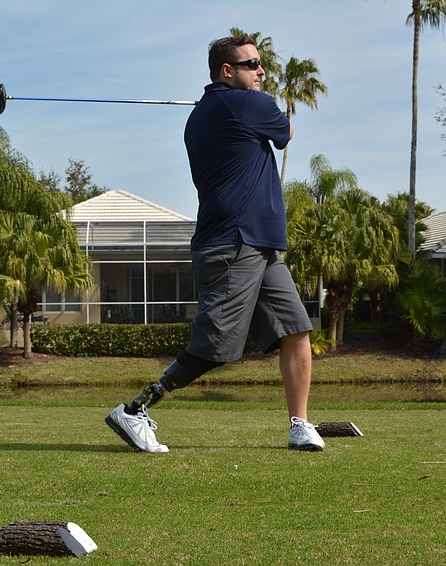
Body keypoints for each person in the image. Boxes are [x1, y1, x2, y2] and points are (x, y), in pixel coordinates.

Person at [105, 35, 324, 453]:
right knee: (216, 348)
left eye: (262, 64)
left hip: (260, 245)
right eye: (253, 64)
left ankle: (300, 425)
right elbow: (287, 131)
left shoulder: (209, 112)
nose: (262, 71)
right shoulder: (246, 105)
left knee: (296, 329)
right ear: (227, 71)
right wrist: (259, 104)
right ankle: (135, 410)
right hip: (232, 244)